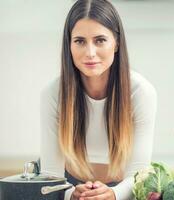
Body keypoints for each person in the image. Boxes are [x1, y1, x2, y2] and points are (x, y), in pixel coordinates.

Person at [40, 0, 157, 199]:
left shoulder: (141, 92)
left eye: (100, 40)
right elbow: (51, 175)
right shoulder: (53, 93)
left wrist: (113, 194)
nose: (90, 53)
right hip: (68, 186)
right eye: (79, 41)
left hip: (124, 188)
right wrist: (70, 194)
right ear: (69, 44)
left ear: (117, 43)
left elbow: (139, 174)